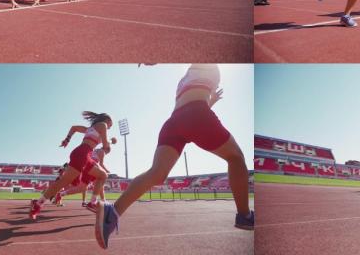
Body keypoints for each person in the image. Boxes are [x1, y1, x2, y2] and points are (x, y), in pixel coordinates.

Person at [94, 64, 253, 249]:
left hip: (173, 122)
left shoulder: (185, 79)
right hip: (197, 114)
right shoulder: (207, 65)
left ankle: (112, 212)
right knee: (236, 157)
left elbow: (189, 105)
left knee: (156, 173)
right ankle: (244, 215)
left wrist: (211, 101)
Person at [29, 111, 113, 220]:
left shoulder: (90, 129)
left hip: (84, 155)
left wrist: (67, 140)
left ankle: (92, 202)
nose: (110, 127)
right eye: (111, 124)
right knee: (63, 182)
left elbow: (74, 128)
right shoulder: (103, 125)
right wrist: (110, 141)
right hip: (83, 154)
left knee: (102, 175)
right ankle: (37, 205)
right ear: (107, 120)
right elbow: (106, 145)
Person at [56, 138, 117, 209]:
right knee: (101, 180)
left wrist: (110, 141)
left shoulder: (96, 150)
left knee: (81, 188)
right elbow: (101, 164)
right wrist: (107, 171)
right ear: (106, 150)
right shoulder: (102, 152)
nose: (106, 154)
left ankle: (61, 194)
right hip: (92, 167)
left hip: (86, 167)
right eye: (107, 153)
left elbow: (105, 144)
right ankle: (97, 201)